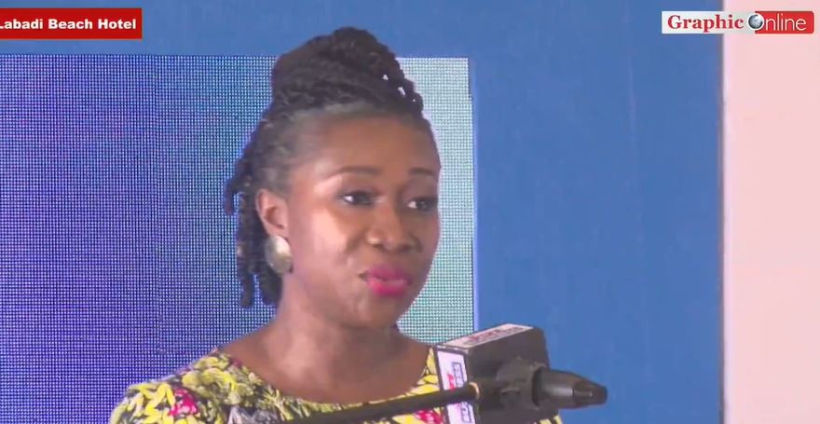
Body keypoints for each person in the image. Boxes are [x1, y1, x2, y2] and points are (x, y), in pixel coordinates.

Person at [109, 27, 562, 424]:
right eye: (356, 197)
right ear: (276, 215)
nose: (394, 234)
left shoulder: (493, 398)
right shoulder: (188, 412)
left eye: (420, 202)